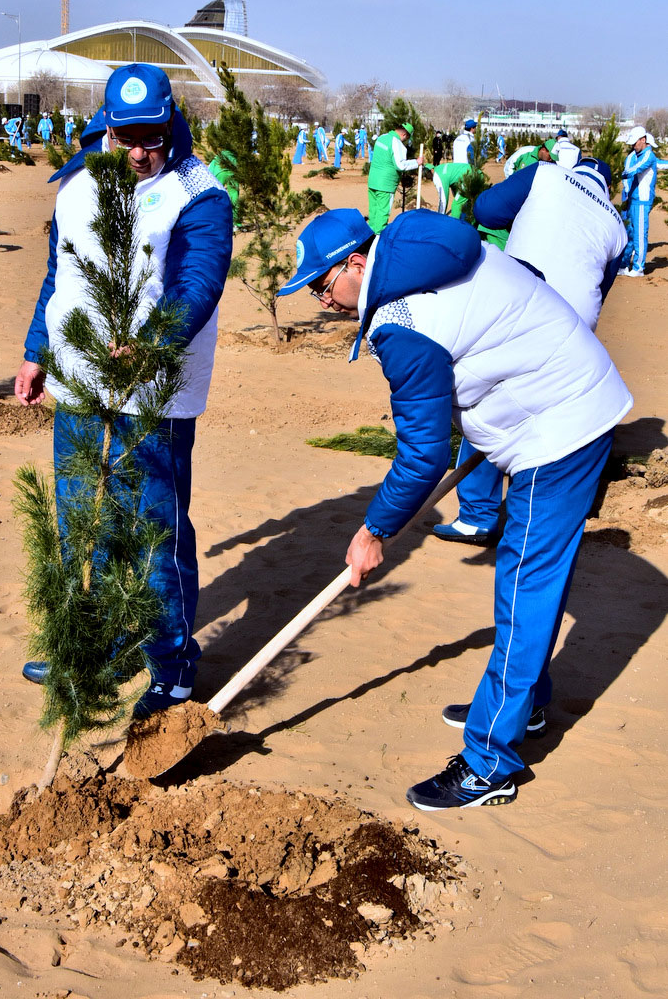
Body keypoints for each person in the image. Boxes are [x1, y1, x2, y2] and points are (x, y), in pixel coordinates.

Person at [276, 206, 632, 809]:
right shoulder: (420, 249)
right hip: (561, 401)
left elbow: (420, 457)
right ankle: (527, 703)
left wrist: (374, 530)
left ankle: (490, 761)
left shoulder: (402, 322)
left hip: (561, 429)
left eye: (321, 284)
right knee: (526, 586)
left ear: (356, 264)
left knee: (524, 583)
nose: (320, 301)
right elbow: (524, 283)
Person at [14, 63, 233, 719]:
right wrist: (35, 353)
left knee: (153, 532)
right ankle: (94, 647)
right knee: (85, 525)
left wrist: (152, 347)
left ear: (171, 125)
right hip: (79, 382)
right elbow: (60, 276)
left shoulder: (198, 193)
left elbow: (198, 285)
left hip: (154, 392)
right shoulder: (81, 180)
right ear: (107, 129)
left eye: (152, 139)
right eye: (125, 138)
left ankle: (172, 667)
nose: (139, 153)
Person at [434, 157, 627, 544]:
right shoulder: (619, 227)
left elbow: (485, 209)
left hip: (521, 303)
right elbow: (601, 289)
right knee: (552, 405)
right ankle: (556, 501)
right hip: (572, 322)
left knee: (486, 399)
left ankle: (478, 515)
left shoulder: (547, 173)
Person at [367, 122, 423, 233]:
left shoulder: (382, 137)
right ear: (404, 135)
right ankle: (377, 240)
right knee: (382, 214)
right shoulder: (397, 143)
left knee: (373, 213)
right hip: (385, 185)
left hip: (373, 181)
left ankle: (369, 238)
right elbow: (400, 165)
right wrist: (416, 162)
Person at [618, 125, 657, 277]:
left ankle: (638, 267)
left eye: (635, 142)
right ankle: (624, 265)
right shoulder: (633, 155)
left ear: (643, 140)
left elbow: (635, 169)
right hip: (632, 200)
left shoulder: (649, 155)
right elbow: (629, 170)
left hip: (642, 201)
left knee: (640, 234)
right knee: (629, 234)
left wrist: (622, 174)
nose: (633, 146)